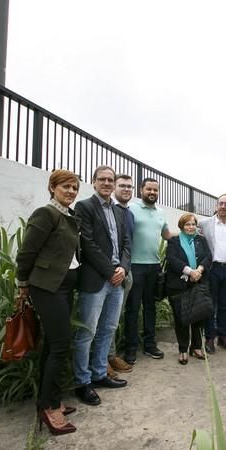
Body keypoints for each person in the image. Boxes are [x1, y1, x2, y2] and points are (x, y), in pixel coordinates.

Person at [16, 169, 80, 435]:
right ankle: (49, 408)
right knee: (61, 345)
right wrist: (22, 284)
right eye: (66, 186)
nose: (71, 191)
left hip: (63, 287)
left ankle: (49, 400)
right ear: (52, 188)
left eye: (75, 187)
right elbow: (26, 251)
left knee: (53, 345)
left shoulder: (68, 215)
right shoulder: (46, 214)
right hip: (46, 288)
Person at [72, 165, 131, 407]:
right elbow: (87, 244)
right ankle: (82, 382)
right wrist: (110, 271)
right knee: (87, 332)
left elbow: (126, 243)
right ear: (94, 182)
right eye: (102, 179)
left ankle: (99, 373)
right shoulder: (84, 207)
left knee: (108, 329)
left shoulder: (118, 211)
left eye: (110, 179)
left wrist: (123, 269)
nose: (107, 183)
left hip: (117, 279)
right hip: (96, 280)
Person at [124, 178, 172, 364]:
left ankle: (150, 345)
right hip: (134, 265)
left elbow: (166, 235)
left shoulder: (161, 212)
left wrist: (189, 232)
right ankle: (131, 348)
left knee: (151, 307)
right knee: (133, 308)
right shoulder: (131, 210)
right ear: (141, 190)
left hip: (154, 266)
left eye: (155, 190)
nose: (152, 192)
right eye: (149, 189)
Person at [198, 194, 226, 353]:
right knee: (211, 305)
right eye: (221, 203)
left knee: (225, 305)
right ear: (216, 206)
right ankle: (210, 338)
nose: (223, 206)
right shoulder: (204, 223)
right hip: (212, 269)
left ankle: (223, 337)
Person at [165, 213, 213, 364]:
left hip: (199, 282)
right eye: (187, 224)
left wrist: (199, 270)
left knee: (199, 315)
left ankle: (196, 347)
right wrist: (189, 271)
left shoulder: (201, 240)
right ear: (181, 226)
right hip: (179, 285)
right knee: (181, 318)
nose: (191, 227)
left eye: (193, 224)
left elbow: (208, 257)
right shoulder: (174, 241)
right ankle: (183, 349)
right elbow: (172, 260)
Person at [106, 174, 135, 375]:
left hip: (126, 270)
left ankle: (110, 355)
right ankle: (105, 359)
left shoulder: (129, 213)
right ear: (114, 187)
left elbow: (127, 244)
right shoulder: (109, 210)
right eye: (122, 186)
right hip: (109, 272)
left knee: (115, 318)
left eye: (129, 186)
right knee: (105, 320)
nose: (126, 189)